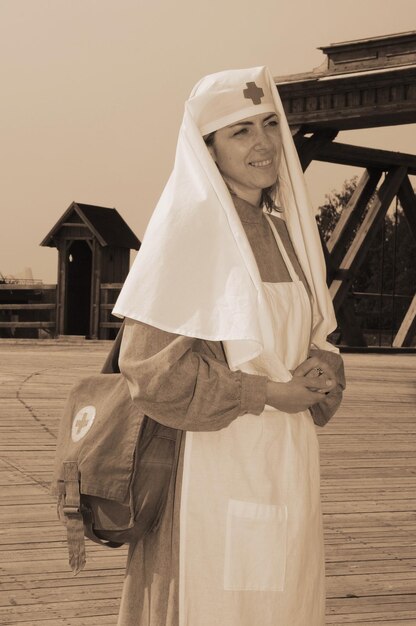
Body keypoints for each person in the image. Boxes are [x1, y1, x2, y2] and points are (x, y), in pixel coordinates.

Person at [112, 66, 346, 626]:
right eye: (240, 131)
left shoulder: (286, 233)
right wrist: (266, 391)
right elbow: (148, 371)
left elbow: (318, 337)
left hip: (285, 462)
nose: (263, 143)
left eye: (269, 123)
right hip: (210, 467)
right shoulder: (189, 234)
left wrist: (321, 372)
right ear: (208, 149)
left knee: (284, 601)